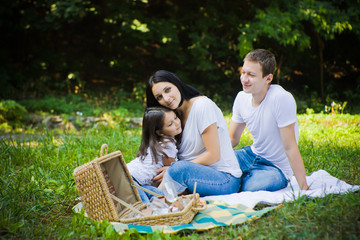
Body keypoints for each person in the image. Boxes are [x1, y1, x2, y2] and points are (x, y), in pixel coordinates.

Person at [146, 70, 242, 197]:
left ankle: (156, 204)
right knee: (151, 177)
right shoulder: (173, 117)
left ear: (176, 84)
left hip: (224, 179)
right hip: (193, 178)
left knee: (178, 170)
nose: (166, 98)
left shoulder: (202, 106)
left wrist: (174, 168)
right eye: (159, 97)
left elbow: (213, 155)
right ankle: (145, 198)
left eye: (167, 90)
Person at [229, 48, 309, 191]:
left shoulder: (281, 98)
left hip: (276, 168)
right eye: (243, 72)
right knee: (218, 165)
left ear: (268, 78)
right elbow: (233, 139)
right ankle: (237, 177)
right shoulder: (241, 97)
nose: (244, 79)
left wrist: (304, 187)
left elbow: (290, 147)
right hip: (251, 155)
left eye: (251, 75)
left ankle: (238, 179)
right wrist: (214, 157)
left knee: (251, 187)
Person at [127, 106, 182, 202]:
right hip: (133, 179)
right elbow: (173, 170)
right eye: (170, 124)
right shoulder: (167, 144)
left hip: (133, 177)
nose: (177, 123)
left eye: (176, 117)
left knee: (159, 197)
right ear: (160, 132)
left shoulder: (157, 143)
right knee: (144, 206)